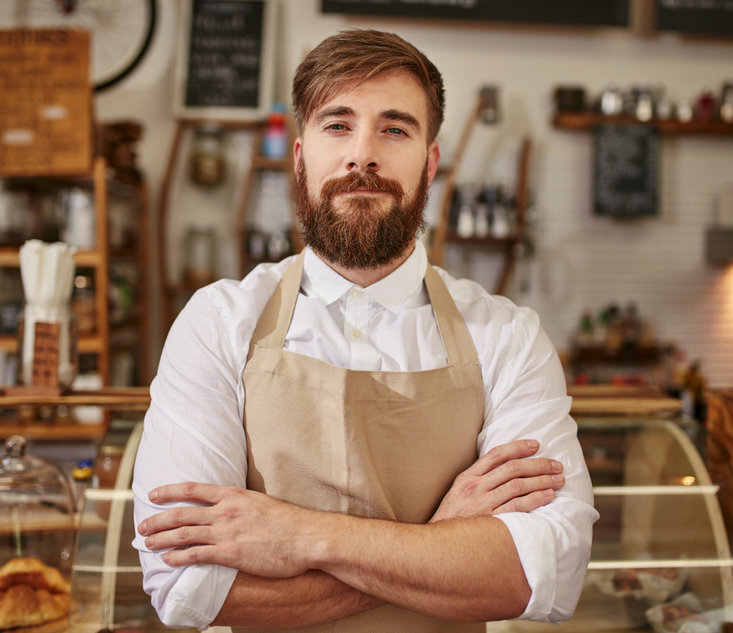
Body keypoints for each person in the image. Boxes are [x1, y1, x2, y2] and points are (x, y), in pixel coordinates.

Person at [133, 29, 597, 632]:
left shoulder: (507, 336)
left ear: (430, 162)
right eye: (337, 125)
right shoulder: (218, 322)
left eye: (395, 129)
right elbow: (186, 587)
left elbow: (543, 575)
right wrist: (440, 541)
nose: (362, 156)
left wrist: (297, 535)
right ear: (300, 156)